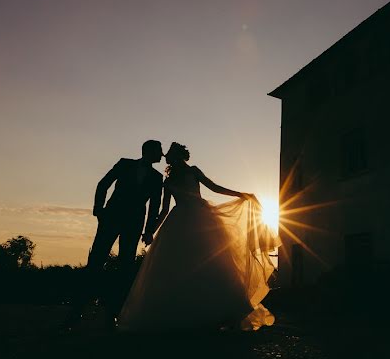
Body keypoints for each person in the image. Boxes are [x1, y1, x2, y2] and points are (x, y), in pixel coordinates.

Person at [118, 142, 278, 331]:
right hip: (179, 222)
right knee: (180, 266)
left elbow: (214, 187)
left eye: (172, 154)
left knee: (214, 261)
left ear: (180, 156)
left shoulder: (193, 171)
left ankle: (224, 311)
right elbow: (164, 209)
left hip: (201, 218)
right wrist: (151, 231)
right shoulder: (167, 182)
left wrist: (239, 194)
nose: (169, 157)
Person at [65, 140, 164, 328]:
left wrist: (149, 230)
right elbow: (104, 184)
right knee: (95, 262)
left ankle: (113, 314)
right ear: (149, 151)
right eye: (159, 151)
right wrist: (98, 209)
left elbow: (154, 206)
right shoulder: (124, 163)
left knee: (125, 267)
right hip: (110, 218)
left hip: (133, 225)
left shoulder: (157, 177)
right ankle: (76, 312)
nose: (162, 154)